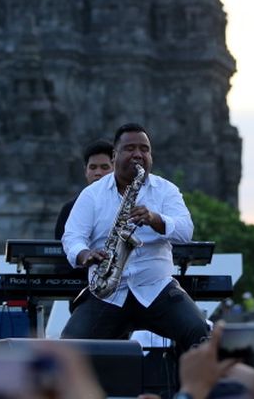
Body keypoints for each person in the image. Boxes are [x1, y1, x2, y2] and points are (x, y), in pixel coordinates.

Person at [60, 122, 210, 353]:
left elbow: (185, 231)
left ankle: (185, 388)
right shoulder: (91, 195)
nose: (138, 154)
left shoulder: (166, 190)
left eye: (145, 149)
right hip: (108, 291)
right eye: (130, 149)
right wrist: (85, 254)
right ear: (114, 155)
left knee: (199, 332)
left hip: (156, 288)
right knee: (69, 346)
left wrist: (155, 218)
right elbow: (72, 237)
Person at [53, 139, 114, 239]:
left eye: (104, 167)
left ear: (115, 169)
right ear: (86, 171)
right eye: (93, 167)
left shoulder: (124, 203)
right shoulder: (69, 209)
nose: (98, 172)